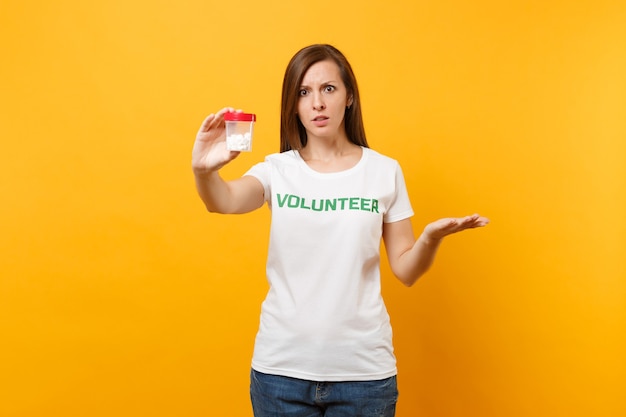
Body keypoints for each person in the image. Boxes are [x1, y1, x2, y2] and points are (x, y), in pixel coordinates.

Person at [191, 44, 489, 417]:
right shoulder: (277, 171)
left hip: (364, 376)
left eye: (328, 89)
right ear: (294, 106)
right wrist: (204, 172)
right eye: (304, 92)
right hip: (281, 373)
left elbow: (406, 270)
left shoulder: (383, 171)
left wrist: (429, 239)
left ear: (348, 97)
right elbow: (224, 200)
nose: (317, 102)